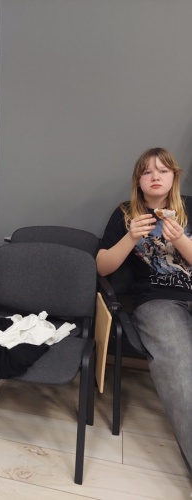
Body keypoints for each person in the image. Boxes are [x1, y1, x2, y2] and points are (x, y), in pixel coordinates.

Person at [97, 147, 192, 475]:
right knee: (179, 367)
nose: (155, 177)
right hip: (158, 301)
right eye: (147, 171)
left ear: (174, 176)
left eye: (162, 170)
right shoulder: (125, 213)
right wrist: (130, 237)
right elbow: (101, 266)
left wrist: (180, 240)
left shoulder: (189, 207)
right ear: (138, 179)